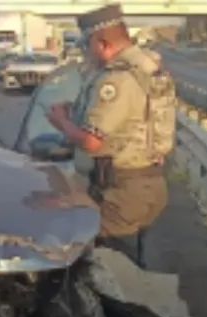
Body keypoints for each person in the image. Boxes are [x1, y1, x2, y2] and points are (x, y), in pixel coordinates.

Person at [46, 3, 177, 265]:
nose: (87, 54)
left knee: (103, 265)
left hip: (122, 191)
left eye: (88, 46)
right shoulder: (147, 67)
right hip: (146, 184)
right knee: (127, 263)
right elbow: (132, 119)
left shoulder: (116, 79)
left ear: (102, 43)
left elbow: (91, 142)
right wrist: (79, 112)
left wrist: (61, 122)